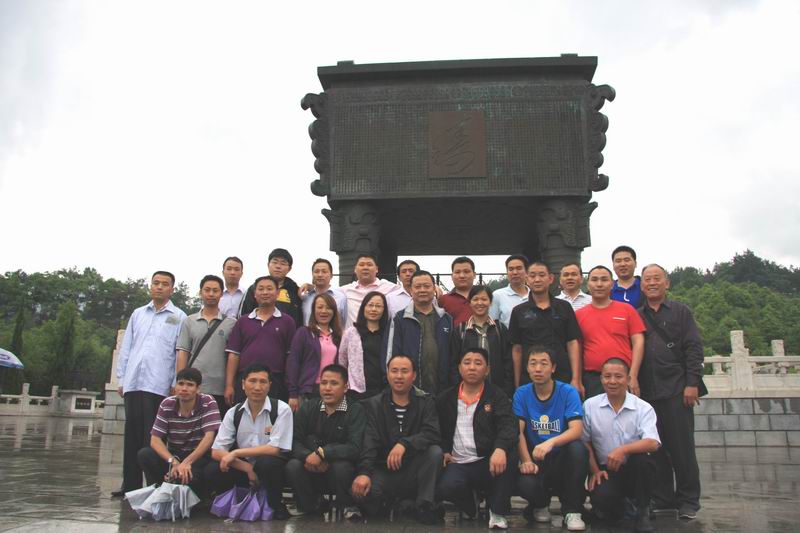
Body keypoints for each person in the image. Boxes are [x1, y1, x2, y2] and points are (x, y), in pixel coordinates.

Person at [638, 263, 704, 519]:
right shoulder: (637, 314)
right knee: (655, 448)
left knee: (682, 448)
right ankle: (663, 497)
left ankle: (689, 500)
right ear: (642, 285)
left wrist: (692, 383)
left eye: (657, 278)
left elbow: (693, 347)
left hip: (677, 388)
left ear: (667, 283)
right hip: (648, 391)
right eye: (647, 279)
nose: (652, 283)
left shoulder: (680, 312)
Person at [114, 271, 187, 496]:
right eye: (156, 283)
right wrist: (121, 378)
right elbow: (127, 347)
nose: (159, 287)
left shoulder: (179, 316)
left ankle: (153, 484)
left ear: (172, 289)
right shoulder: (138, 314)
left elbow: (179, 352)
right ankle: (130, 485)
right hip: (134, 382)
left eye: (165, 284)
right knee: (132, 436)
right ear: (150, 286)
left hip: (158, 385)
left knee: (154, 438)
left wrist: (175, 382)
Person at [351, 354, 443, 525]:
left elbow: (432, 433)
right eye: (394, 371)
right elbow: (369, 443)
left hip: (413, 469)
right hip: (383, 469)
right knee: (366, 497)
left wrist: (405, 444)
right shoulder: (373, 405)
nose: (399, 376)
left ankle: (424, 505)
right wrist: (364, 473)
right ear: (387, 374)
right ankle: (398, 504)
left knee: (434, 452)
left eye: (404, 371)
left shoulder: (426, 401)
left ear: (414, 375)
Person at [435, 348, 517, 530]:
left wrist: (500, 448)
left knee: (510, 453)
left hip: (488, 460)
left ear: (487, 370)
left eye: (478, 363)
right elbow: (437, 430)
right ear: (459, 368)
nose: (472, 367)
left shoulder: (496, 395)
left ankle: (497, 511)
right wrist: (445, 450)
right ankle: (470, 507)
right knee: (446, 487)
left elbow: (509, 426)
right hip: (458, 462)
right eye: (467, 362)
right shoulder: (445, 398)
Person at [204, 363, 294, 520]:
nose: (257, 387)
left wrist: (236, 453)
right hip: (244, 466)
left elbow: (274, 449)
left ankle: (275, 504)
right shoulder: (234, 412)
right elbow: (217, 451)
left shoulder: (282, 409)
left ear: (269, 385)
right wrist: (247, 468)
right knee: (212, 469)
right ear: (243, 384)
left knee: (267, 463)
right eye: (252, 381)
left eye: (263, 382)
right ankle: (234, 500)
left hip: (271, 467)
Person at [514, 346, 588, 532]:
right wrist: (526, 460)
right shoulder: (522, 393)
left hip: (562, 458)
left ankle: (572, 511)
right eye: (533, 364)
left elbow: (576, 430)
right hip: (537, 459)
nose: (538, 369)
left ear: (553, 367)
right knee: (525, 483)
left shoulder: (568, 392)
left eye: (544, 363)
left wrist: (551, 442)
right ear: (527, 368)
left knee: (578, 449)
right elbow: (518, 431)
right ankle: (540, 505)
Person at [582, 358, 660, 532]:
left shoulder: (643, 407)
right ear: (601, 379)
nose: (612, 381)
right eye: (607, 376)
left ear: (628, 379)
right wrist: (595, 470)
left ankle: (643, 510)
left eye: (618, 376)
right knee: (602, 499)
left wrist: (623, 450)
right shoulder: (590, 406)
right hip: (607, 470)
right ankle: (623, 507)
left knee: (643, 462)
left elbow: (653, 442)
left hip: (635, 469)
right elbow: (584, 441)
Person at [286, 364, 366, 518]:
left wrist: (324, 453)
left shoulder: (355, 410)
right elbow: (294, 441)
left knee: (342, 467)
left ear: (345, 387)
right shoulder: (308, 407)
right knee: (293, 465)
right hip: (311, 466)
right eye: (323, 383)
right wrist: (308, 456)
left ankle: (347, 505)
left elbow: (355, 447)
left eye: (334, 383)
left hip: (338, 469)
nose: (327, 388)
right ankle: (311, 506)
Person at [137, 367, 221, 495]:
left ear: (198, 388)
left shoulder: (208, 402)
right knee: (145, 454)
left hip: (199, 456)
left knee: (191, 478)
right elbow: (155, 440)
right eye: (180, 384)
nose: (184, 389)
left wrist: (187, 463)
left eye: (190, 385)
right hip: (175, 455)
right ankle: (156, 492)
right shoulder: (167, 404)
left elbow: (209, 437)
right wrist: (174, 463)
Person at [509, 262, 583, 395]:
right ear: (527, 279)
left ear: (550, 278)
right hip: (530, 377)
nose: (537, 279)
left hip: (562, 375)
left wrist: (576, 379)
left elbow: (572, 343)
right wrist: (517, 384)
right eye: (532, 276)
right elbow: (517, 349)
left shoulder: (564, 307)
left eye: (542, 275)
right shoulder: (519, 311)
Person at [576, 266, 646, 399]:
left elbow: (639, 341)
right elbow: (576, 349)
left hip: (624, 377)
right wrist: (577, 379)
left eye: (604, 279)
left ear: (612, 284)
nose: (599, 284)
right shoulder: (579, 315)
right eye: (594, 280)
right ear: (588, 284)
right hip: (592, 379)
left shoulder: (627, 310)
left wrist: (633, 375)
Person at [225, 276, 296, 404]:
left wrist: (292, 390)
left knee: (273, 415)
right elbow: (234, 355)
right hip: (246, 378)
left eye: (269, 288)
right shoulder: (243, 321)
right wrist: (229, 385)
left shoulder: (287, 321)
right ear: (254, 294)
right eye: (261, 289)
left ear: (277, 293)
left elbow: (291, 357)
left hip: (276, 380)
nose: (265, 292)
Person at [176, 275, 236, 414]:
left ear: (221, 294)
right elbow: (183, 353)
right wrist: (180, 383)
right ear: (200, 292)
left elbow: (233, 357)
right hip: (193, 386)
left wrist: (229, 385)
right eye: (207, 290)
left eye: (215, 290)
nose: (211, 294)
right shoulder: (189, 321)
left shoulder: (231, 323)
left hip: (219, 388)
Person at [390, 270, 453, 395]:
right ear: (411, 290)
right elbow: (392, 353)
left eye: (427, 286)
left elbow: (453, 355)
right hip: (409, 390)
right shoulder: (400, 319)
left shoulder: (446, 319)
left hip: (443, 390)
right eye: (418, 287)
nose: (422, 290)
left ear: (434, 289)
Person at [450, 285, 514, 398]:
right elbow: (454, 362)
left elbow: (508, 361)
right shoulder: (461, 330)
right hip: (467, 393)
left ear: (490, 302)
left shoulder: (499, 328)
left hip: (497, 390)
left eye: (484, 299)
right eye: (475, 299)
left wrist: (507, 390)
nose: (480, 303)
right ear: (470, 303)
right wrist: (457, 390)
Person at [287, 293, 343, 412]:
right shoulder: (304, 333)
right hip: (308, 391)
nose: (324, 311)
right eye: (320, 307)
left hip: (331, 391)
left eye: (328, 308)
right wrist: (293, 394)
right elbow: (293, 363)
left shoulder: (338, 336)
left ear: (334, 311)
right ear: (313, 310)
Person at [339, 291, 392, 400]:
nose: (374, 309)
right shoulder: (351, 333)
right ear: (363, 307)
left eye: (378, 306)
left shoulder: (388, 333)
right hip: (357, 391)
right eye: (370, 305)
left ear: (384, 310)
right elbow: (342, 361)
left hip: (383, 390)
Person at [240, 248, 303, 326]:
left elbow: (301, 318)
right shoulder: (255, 288)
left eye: (283, 263)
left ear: (289, 269)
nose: (278, 266)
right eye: (275, 262)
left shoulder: (295, 291)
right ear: (268, 265)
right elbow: (243, 315)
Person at [344, 254, 403, 326]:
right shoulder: (344, 290)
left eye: (369, 265)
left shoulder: (391, 288)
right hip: (353, 332)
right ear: (355, 269)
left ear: (377, 269)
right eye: (361, 265)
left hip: (381, 332)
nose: (365, 268)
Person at [300, 258, 348, 326]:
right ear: (312, 274)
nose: (320, 275)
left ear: (331, 275)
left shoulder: (341, 298)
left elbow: (344, 323)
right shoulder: (306, 297)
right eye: (316, 271)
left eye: (324, 272)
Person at [489, 254, 530, 328]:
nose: (515, 272)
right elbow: (492, 323)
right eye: (511, 269)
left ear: (527, 271)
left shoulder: (534, 295)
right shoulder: (497, 295)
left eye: (519, 268)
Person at [439, 256, 476, 326]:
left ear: (474, 275)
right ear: (452, 276)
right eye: (457, 272)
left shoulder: (484, 297)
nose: (462, 276)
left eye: (466, 271)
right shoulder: (443, 300)